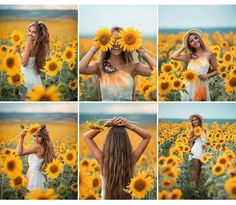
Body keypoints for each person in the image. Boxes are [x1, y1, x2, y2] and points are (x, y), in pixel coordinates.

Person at [79, 26, 157, 101]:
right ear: (107, 42)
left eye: (119, 40)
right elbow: (80, 68)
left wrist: (142, 53)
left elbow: (156, 71)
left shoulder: (133, 66)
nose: (116, 43)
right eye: (112, 40)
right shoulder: (100, 66)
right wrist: (94, 49)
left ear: (125, 42)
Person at [83, 117, 152, 199]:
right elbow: (147, 136)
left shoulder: (103, 160)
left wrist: (106, 125)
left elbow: (86, 136)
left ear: (108, 142)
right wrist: (129, 126)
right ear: (126, 143)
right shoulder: (131, 160)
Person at [171, 29, 218, 101]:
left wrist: (207, 75)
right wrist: (183, 47)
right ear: (190, 45)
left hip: (201, 85)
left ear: (199, 38)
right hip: (188, 85)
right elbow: (173, 57)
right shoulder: (191, 56)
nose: (195, 41)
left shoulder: (210, 54)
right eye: (191, 41)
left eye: (196, 38)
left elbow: (217, 70)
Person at [16, 124, 56, 191]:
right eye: (34, 136)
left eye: (39, 136)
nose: (35, 139)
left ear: (43, 137)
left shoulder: (37, 147)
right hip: (38, 177)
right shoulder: (45, 146)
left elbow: (19, 152)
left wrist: (22, 137)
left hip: (35, 179)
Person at [15, 21, 50, 91]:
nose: (30, 34)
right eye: (29, 31)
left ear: (39, 34)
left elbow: (23, 63)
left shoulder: (30, 44)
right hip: (36, 78)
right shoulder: (41, 46)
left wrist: (18, 52)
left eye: (34, 32)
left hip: (27, 79)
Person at [188, 114, 207, 186]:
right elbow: (189, 141)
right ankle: (193, 188)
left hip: (203, 151)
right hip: (195, 150)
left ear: (199, 120)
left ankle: (198, 187)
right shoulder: (192, 130)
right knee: (196, 169)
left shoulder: (204, 129)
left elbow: (204, 140)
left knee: (200, 170)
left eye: (195, 119)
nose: (194, 121)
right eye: (193, 120)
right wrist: (196, 137)